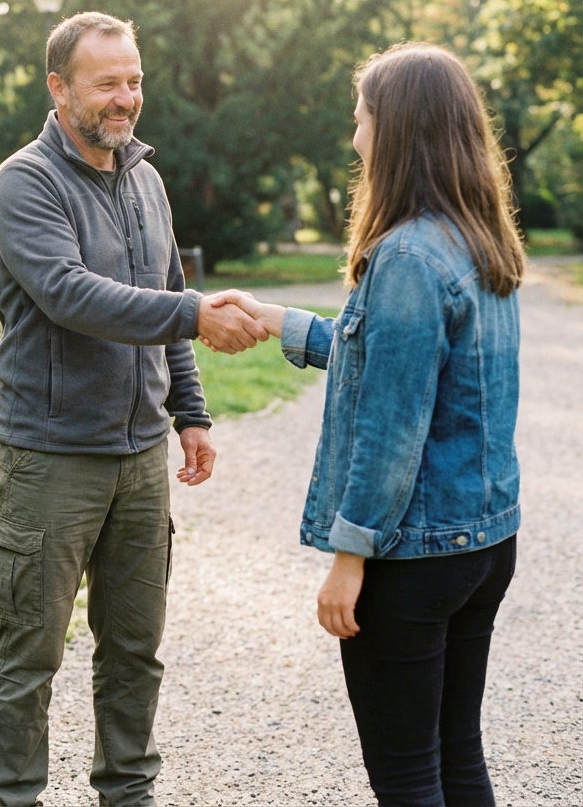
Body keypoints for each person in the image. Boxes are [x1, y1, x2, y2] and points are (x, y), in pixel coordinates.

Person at [209, 43, 524, 806]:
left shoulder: (409, 255)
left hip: (411, 559)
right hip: (481, 543)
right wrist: (286, 322)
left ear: (398, 129)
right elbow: (390, 361)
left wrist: (350, 556)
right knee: (456, 758)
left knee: (410, 776)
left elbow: (392, 425)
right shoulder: (478, 239)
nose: (355, 138)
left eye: (362, 120)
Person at [0, 11, 268, 807]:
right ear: (59, 87)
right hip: (50, 458)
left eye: (134, 80)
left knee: (135, 650)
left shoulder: (146, 178)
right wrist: (193, 315)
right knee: (29, 653)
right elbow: (73, 296)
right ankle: (15, 798)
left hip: (141, 460)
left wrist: (192, 412)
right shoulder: (24, 182)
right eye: (107, 82)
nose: (125, 98)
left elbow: (165, 295)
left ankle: (128, 793)